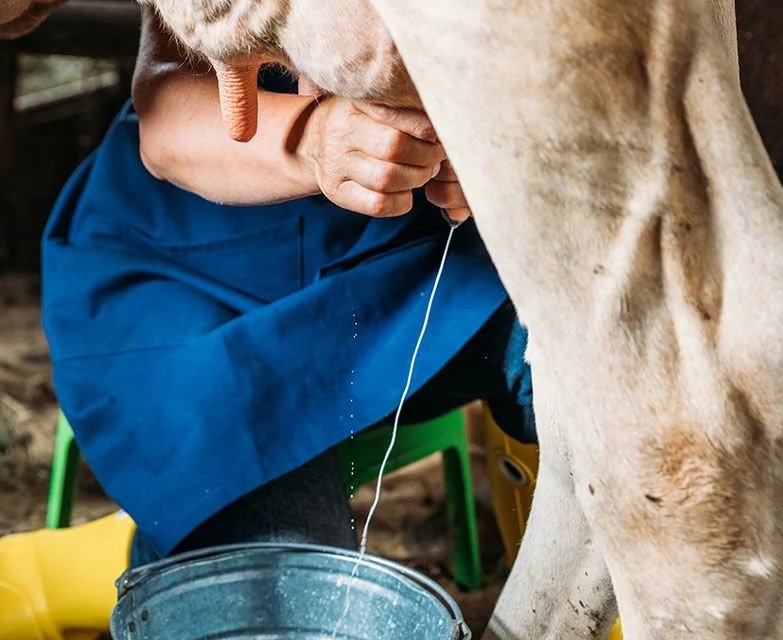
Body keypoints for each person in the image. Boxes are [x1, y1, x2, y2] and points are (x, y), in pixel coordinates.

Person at [41, 8, 536, 567]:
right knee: (277, 580)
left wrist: (495, 152)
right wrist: (314, 140)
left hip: (418, 261)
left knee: (582, 355)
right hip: (191, 267)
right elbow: (165, 105)